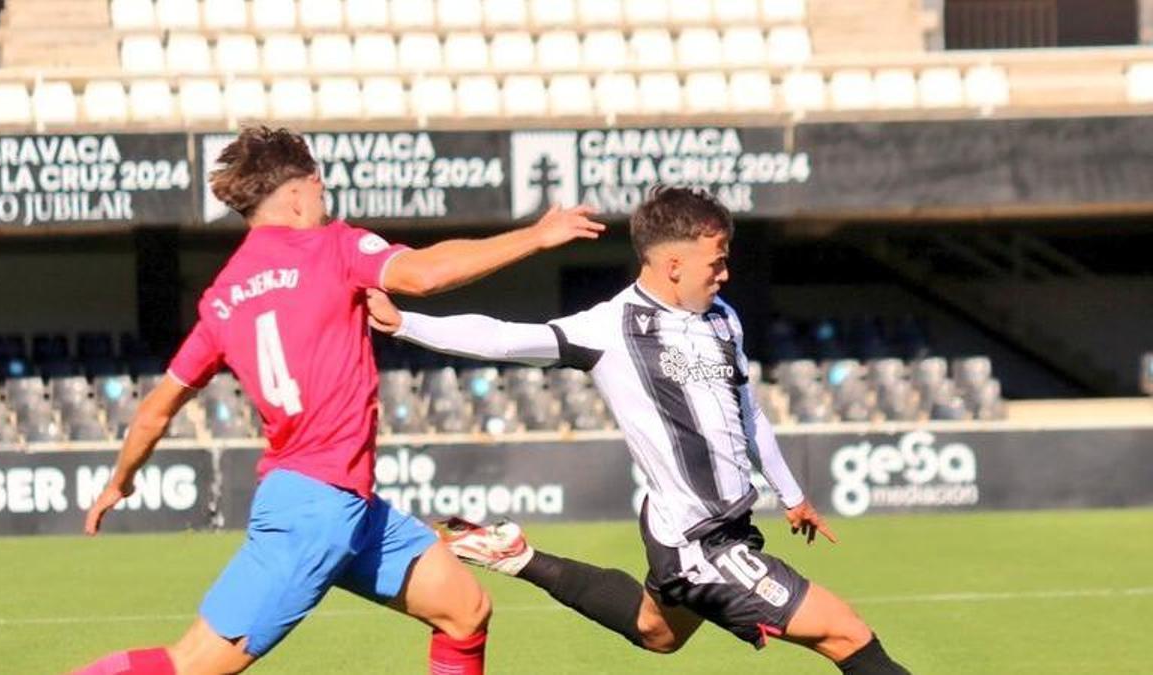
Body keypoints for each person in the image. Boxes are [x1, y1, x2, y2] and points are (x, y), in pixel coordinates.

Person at [73, 126, 604, 675]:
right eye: (320, 190)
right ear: (300, 192)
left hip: (346, 506)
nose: (325, 201)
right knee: (189, 665)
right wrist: (533, 237)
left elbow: (155, 409)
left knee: (464, 611)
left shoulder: (223, 296)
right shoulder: (334, 246)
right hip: (314, 509)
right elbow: (423, 274)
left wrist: (121, 480)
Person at [367, 185, 910, 674]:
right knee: (848, 635)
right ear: (673, 264)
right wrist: (408, 324)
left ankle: (517, 556)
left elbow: (750, 411)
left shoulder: (723, 318)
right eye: (716, 263)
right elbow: (507, 339)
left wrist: (792, 494)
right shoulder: (612, 326)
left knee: (656, 633)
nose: (724, 274)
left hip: (725, 525)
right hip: (697, 542)